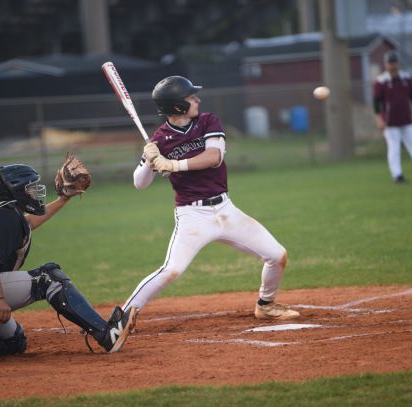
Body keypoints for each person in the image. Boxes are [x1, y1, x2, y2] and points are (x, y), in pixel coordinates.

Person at [123, 76, 299, 324]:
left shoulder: (207, 121)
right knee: (172, 270)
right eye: (190, 97)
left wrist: (173, 164)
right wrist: (148, 160)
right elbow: (139, 184)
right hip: (192, 216)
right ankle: (122, 317)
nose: (197, 99)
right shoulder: (159, 141)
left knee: (277, 255)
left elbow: (214, 157)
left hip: (226, 210)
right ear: (178, 106)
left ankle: (266, 305)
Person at [0, 163, 137, 364]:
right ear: (16, 190)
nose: (35, 192)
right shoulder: (4, 215)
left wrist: (63, 199)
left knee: (14, 342)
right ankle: (107, 334)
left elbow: (29, 223)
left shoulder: (5, 213)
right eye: (30, 188)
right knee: (49, 278)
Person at [373, 51, 412, 183]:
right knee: (394, 149)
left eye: (394, 63)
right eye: (390, 63)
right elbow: (376, 102)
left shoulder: (406, 78)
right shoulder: (381, 81)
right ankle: (397, 175)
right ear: (386, 65)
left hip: (407, 120)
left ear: (398, 63)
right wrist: (379, 119)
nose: (392, 66)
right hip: (390, 122)